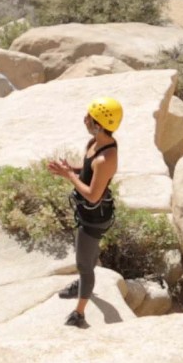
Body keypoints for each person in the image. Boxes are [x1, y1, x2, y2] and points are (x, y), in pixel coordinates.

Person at [47, 97, 122, 328]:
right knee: (84, 253)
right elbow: (88, 170)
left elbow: (92, 195)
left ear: (99, 124)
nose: (85, 119)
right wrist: (73, 170)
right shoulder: (95, 142)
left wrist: (68, 176)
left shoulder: (105, 157)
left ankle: (79, 314)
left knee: (84, 265)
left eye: (89, 117)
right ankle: (82, 284)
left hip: (94, 217)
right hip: (86, 213)